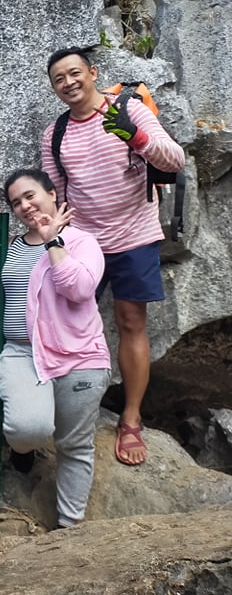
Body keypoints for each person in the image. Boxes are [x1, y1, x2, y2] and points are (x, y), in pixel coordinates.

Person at [41, 47, 185, 466]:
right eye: (58, 79)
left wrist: (136, 137)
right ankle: (66, 410)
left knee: (130, 321)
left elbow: (173, 159)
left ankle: (131, 418)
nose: (68, 83)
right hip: (84, 239)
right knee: (67, 318)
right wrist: (56, 238)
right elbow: (56, 191)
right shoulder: (55, 133)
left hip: (134, 234)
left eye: (74, 73)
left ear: (93, 72)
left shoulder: (129, 109)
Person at [0, 168, 110, 528]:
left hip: (79, 357)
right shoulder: (10, 244)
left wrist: (52, 240)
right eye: (15, 202)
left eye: (30, 196)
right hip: (22, 354)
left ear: (53, 194)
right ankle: (22, 449)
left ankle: (69, 530)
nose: (24, 205)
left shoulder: (82, 242)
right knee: (28, 428)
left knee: (74, 445)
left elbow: (78, 290)